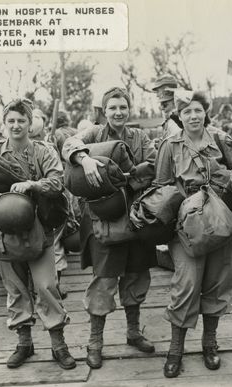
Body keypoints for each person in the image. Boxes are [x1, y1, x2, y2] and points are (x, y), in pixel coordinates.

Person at [0, 98, 75, 370]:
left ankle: (59, 344)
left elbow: (58, 182)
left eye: (22, 120)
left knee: (46, 286)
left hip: (38, 232)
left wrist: (33, 183)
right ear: (4, 124)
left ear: (30, 124)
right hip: (2, 234)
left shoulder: (43, 151)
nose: (16, 125)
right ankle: (24, 343)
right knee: (15, 289)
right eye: (11, 121)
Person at [63, 87, 157, 369]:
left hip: (137, 218)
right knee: (104, 281)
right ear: (104, 111)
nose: (118, 112)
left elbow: (152, 165)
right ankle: (95, 342)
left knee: (137, 276)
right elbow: (68, 143)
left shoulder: (140, 137)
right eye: (113, 108)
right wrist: (85, 158)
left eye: (123, 108)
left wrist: (120, 176)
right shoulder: (93, 136)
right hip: (104, 220)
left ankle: (132, 331)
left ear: (130, 110)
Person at [153, 90, 232, 378]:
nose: (193, 116)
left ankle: (209, 342)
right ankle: (175, 348)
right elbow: (162, 187)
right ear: (179, 115)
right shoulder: (170, 145)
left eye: (198, 110)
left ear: (205, 112)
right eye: (187, 111)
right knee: (186, 283)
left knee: (219, 280)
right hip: (186, 227)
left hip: (220, 220)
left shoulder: (221, 139)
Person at [151, 74, 182, 147]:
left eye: (158, 91)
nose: (157, 95)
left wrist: (163, 146)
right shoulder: (168, 117)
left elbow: (178, 145)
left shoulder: (179, 119)